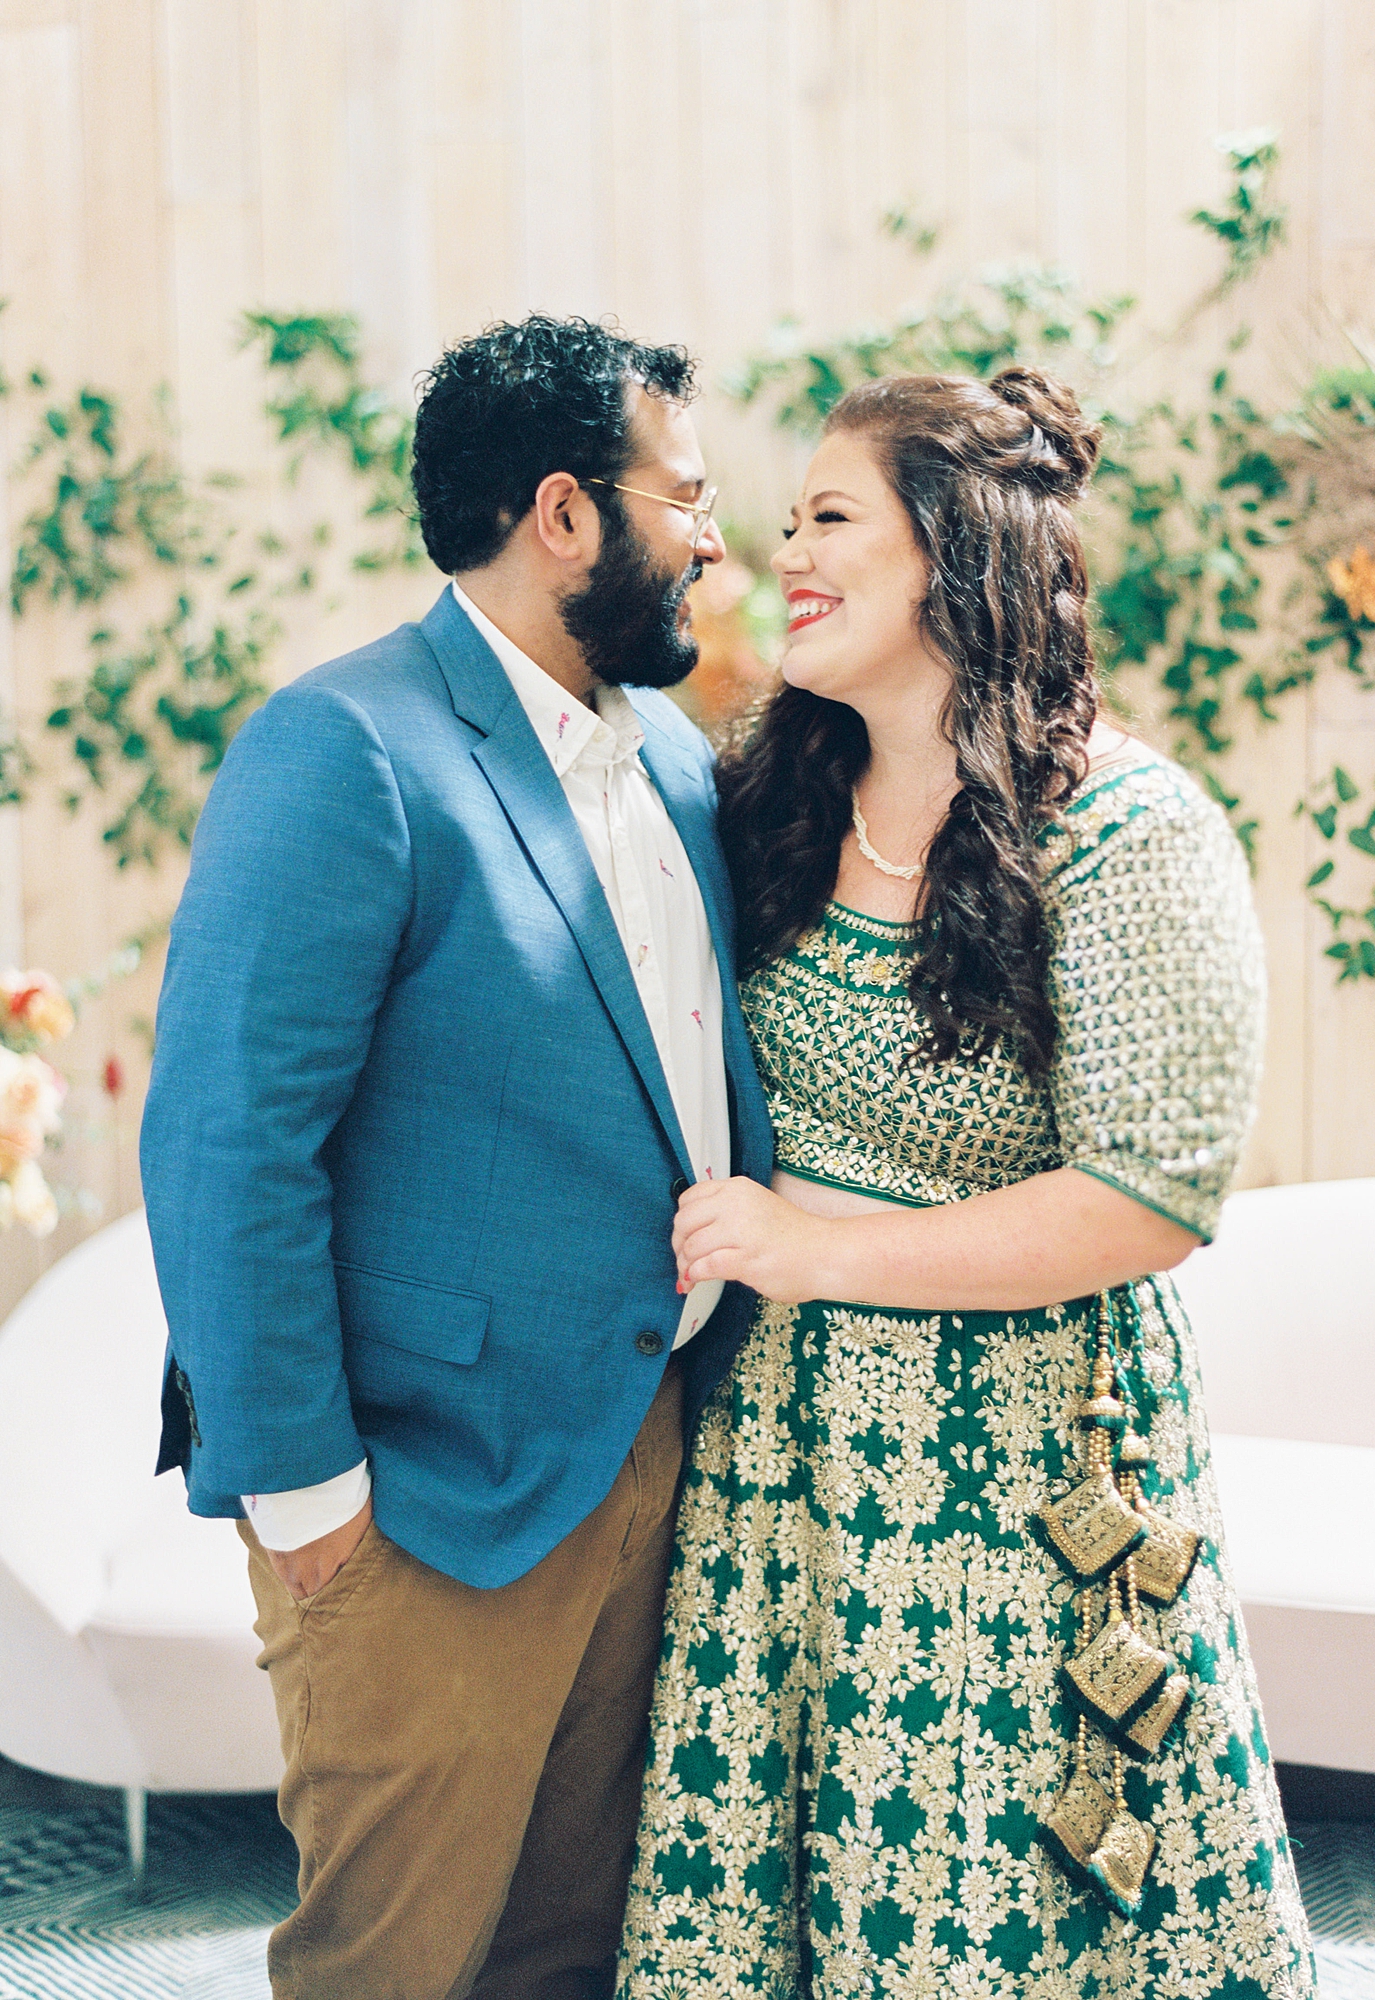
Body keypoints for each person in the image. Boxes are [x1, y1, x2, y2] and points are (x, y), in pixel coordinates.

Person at [617, 368, 1315, 1997]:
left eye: (829, 518)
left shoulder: (1130, 829)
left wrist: (811, 1249)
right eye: (786, 522)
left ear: (956, 549)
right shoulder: (763, 798)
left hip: (1023, 1471)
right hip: (779, 1453)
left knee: (997, 1905)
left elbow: (1148, 1198)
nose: (785, 553)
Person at [140, 314, 772, 2000]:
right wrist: (308, 1496)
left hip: (641, 1456)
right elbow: (225, 1139)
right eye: (685, 497)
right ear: (564, 513)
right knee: (393, 1966)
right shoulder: (342, 749)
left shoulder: (675, 757)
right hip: (417, 1499)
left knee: (567, 1958)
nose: (712, 540)